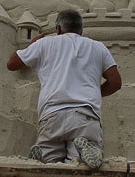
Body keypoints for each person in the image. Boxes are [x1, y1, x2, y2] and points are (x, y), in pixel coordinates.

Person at [6, 9, 121, 168]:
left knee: (51, 166)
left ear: (58, 29)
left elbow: (12, 64)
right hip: (85, 114)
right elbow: (115, 82)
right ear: (81, 31)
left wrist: (32, 44)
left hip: (52, 115)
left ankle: (44, 157)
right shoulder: (98, 47)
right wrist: (94, 92)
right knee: (80, 169)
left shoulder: (44, 43)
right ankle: (82, 155)